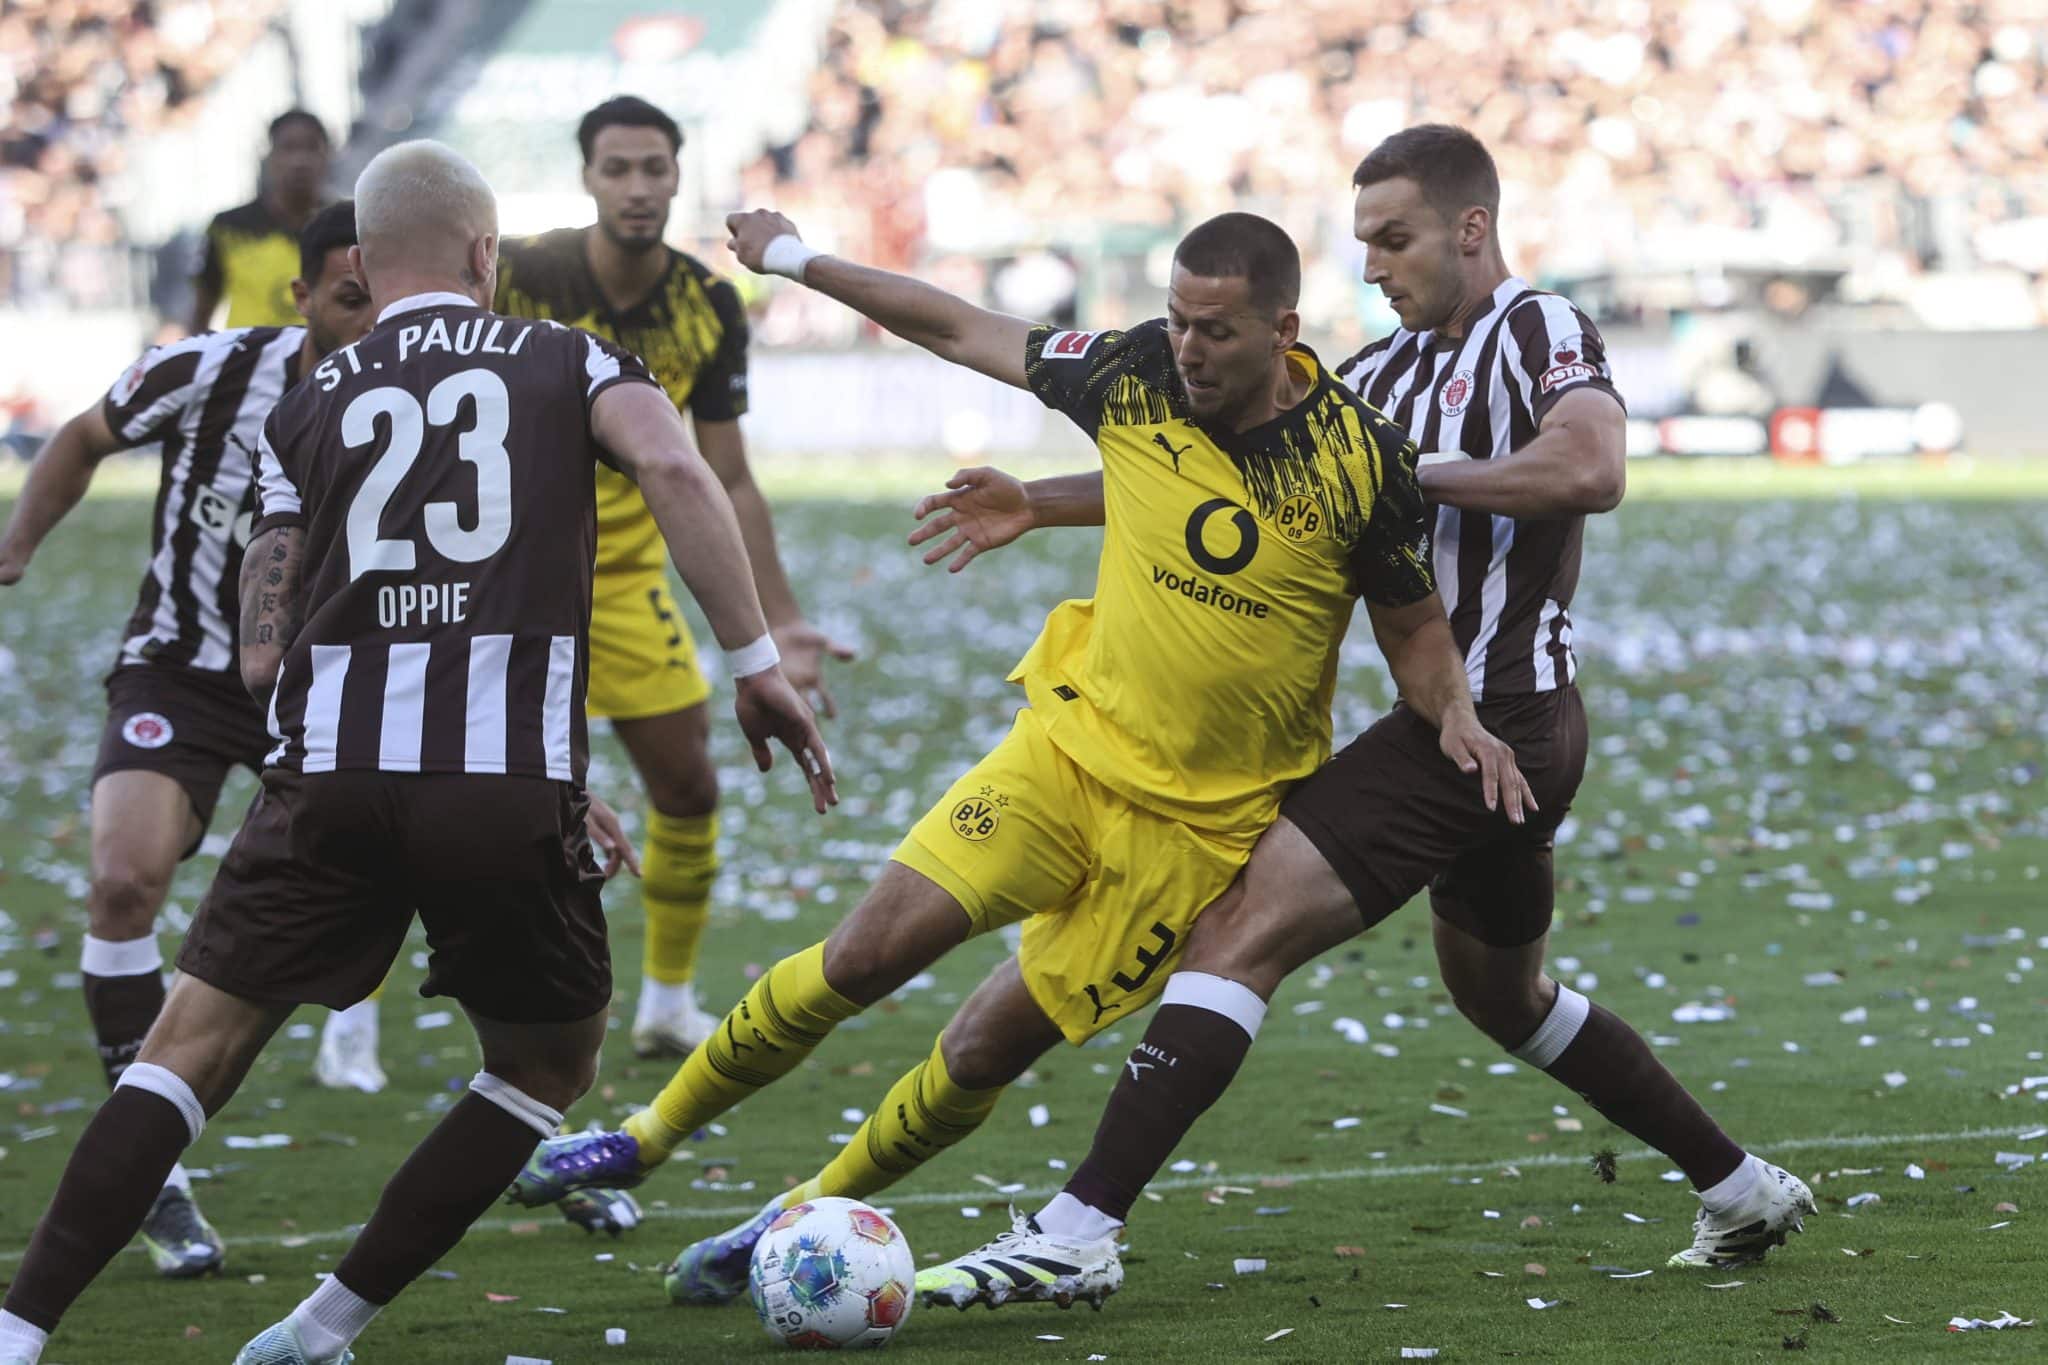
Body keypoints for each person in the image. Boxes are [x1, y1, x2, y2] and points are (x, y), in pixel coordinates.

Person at [505, 204, 1536, 1310]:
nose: (1187, 348)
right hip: (1063, 757)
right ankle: (642, 1137)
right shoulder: (1132, 371)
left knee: (980, 1049)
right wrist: (798, 260)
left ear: (1284, 328)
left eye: (1216, 332)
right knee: (861, 955)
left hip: (1196, 835)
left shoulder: (1359, 458)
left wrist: (1456, 715)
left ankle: (796, 1211)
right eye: (1178, 321)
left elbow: (1413, 630)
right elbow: (960, 328)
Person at [910, 124, 1816, 1311]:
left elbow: (1589, 468)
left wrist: (1405, 477)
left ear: (1469, 229)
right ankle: (1739, 1185)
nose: (1374, 266)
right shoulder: (1374, 377)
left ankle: (1077, 1230)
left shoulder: (1534, 327)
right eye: (1361, 246)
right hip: (1487, 739)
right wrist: (1040, 499)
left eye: (1393, 240)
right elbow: (1217, 487)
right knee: (1505, 996)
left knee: (1235, 930)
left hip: (1491, 714)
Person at [0, 139, 833, 1365]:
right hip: (500, 786)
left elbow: (261, 648)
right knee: (547, 1062)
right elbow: (670, 463)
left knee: (188, 1052)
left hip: (327, 780)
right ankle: (320, 1328)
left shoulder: (304, 404)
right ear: (486, 254)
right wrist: (756, 664)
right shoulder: (567, 358)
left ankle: (19, 1333)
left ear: (363, 266)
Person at [0, 201, 373, 1281]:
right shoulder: (212, 370)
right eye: (349, 299)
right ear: (300, 297)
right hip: (181, 668)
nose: (369, 321)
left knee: (354, 890)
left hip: (324, 684)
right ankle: (154, 1169)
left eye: (383, 300)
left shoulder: (411, 405)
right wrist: (18, 545)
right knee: (123, 884)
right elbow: (82, 436)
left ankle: (467, 1067)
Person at [491, 95, 851, 1061]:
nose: (639, 187)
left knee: (688, 786)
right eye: (619, 168)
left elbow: (726, 474)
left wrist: (778, 623)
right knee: (460, 793)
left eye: (655, 168)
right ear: (586, 177)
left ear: (678, 176)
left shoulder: (708, 302)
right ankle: (355, 1020)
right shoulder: (515, 276)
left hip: (627, 580)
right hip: (504, 579)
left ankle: (666, 999)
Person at [190, 110, 335, 332]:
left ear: (327, 156)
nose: (300, 161)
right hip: (250, 362)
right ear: (269, 156)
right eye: (288, 148)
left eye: (311, 148)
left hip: (326, 363)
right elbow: (202, 311)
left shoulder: (345, 225)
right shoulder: (229, 228)